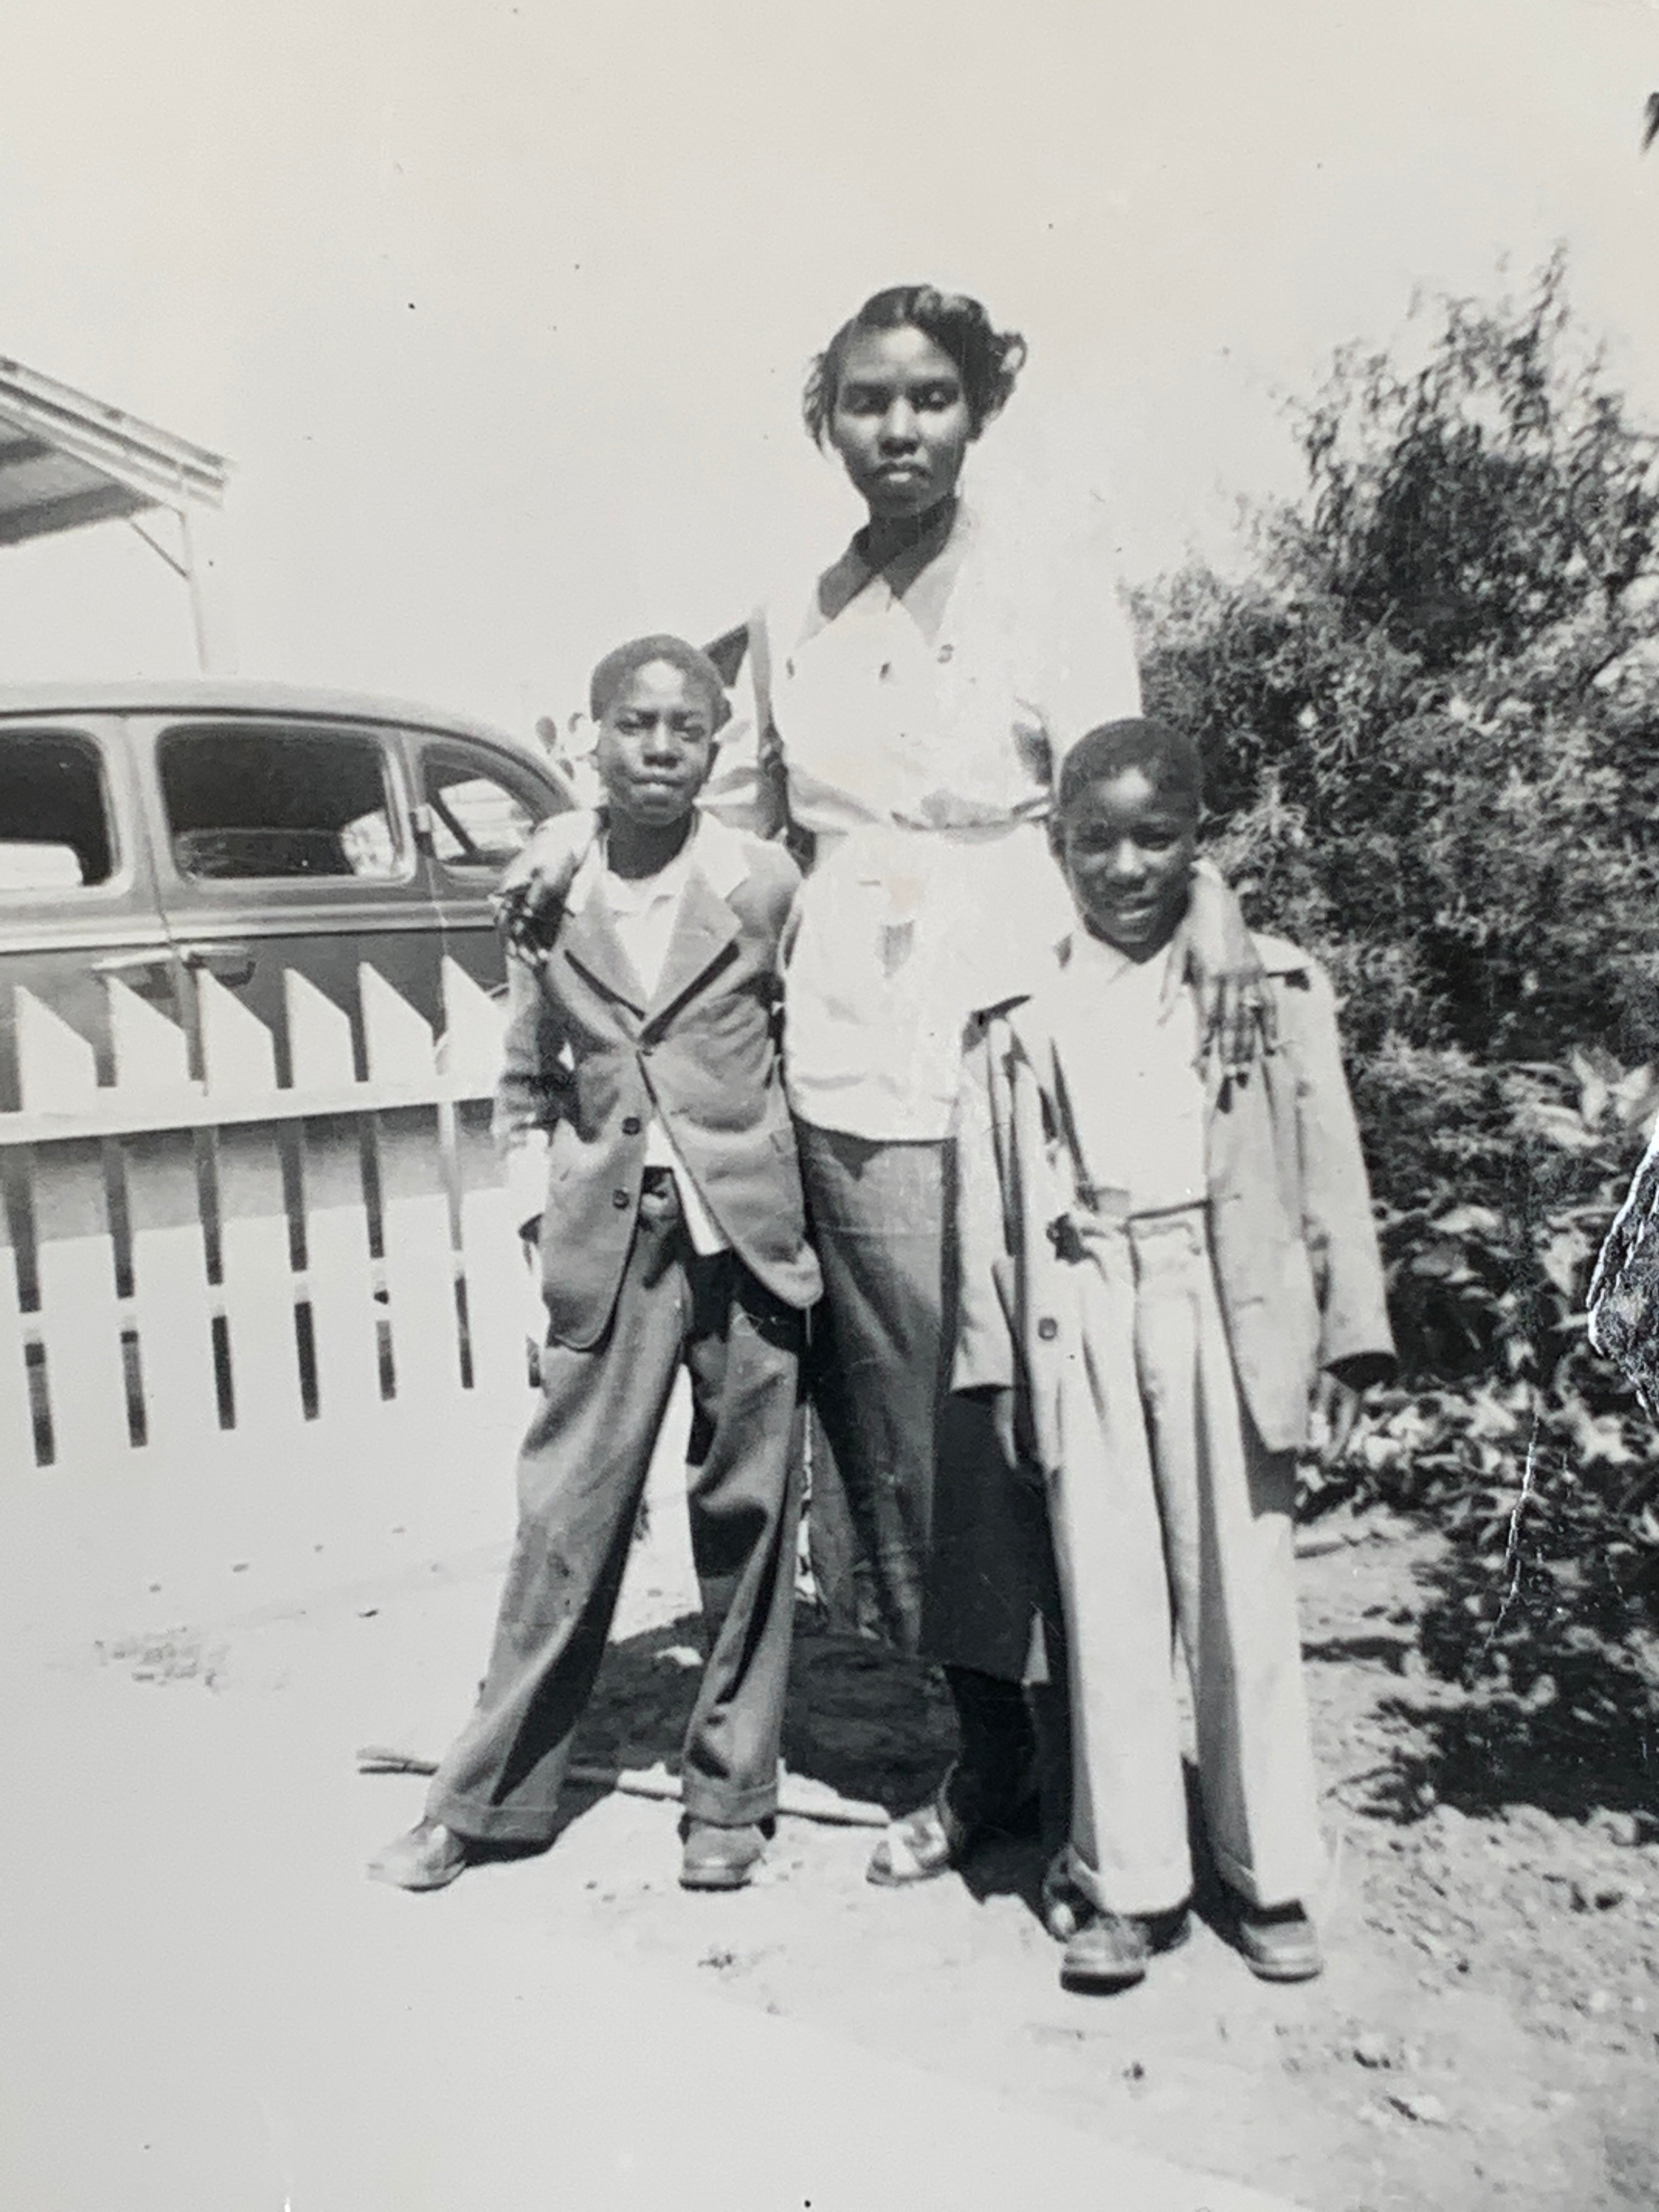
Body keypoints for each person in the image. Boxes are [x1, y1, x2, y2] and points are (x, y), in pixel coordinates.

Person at [500, 285, 1267, 1887]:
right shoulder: (798, 599)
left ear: (979, 410)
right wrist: (578, 832)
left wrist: (1219, 917)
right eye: (865, 400)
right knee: (905, 1435)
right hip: (841, 1050)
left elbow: (1135, 793)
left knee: (1036, 1412)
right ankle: (987, 1755)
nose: (897, 427)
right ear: (826, 418)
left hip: (1015, 1030)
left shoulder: (1052, 583)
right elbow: (734, 806)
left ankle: (1108, 1776)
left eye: (929, 397)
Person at [368, 635, 820, 1896]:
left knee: (745, 1512)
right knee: (565, 1515)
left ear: (718, 747)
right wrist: (540, 1228)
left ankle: (730, 1793)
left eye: (687, 728)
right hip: (612, 1243)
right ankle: (485, 1797)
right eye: (637, 726)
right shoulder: (548, 892)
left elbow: (796, 1035)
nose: (662, 749)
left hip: (747, 1240)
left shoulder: (766, 883)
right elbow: (523, 1078)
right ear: (593, 739)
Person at [950, 717, 1395, 1990]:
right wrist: (998, 1369)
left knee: (1241, 1599)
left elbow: (1329, 1167)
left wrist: (1347, 1339)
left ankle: (1269, 1877)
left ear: (1203, 843)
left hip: (1222, 1300)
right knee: (1109, 1601)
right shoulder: (1016, 1005)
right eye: (1098, 841)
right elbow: (985, 1198)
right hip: (1082, 1304)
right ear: (1057, 845)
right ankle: (1129, 1881)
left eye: (1162, 838)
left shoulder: (1271, 983)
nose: (1130, 868)